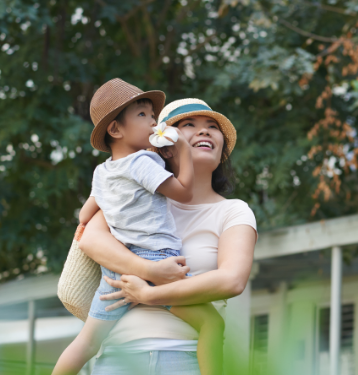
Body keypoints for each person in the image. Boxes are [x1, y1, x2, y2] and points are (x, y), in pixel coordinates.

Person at [53, 80, 227, 375]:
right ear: (116, 130)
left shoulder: (103, 171)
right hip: (157, 258)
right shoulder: (144, 162)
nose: (153, 123)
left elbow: (85, 216)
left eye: (153, 116)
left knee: (86, 343)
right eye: (144, 115)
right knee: (212, 324)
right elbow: (183, 192)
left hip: (115, 273)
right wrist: (182, 151)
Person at [78, 97, 256, 375]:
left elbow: (231, 280)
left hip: (185, 360)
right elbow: (90, 240)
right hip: (119, 360)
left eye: (212, 126)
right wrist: (150, 270)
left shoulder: (234, 212)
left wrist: (150, 294)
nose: (204, 130)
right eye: (188, 124)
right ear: (159, 143)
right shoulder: (133, 197)